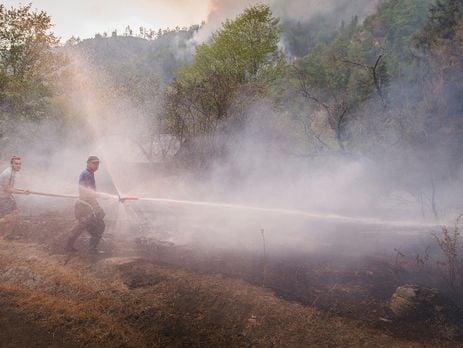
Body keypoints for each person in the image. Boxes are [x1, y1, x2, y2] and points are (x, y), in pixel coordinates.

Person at [66, 156, 105, 254]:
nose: (96, 165)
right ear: (88, 163)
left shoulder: (89, 174)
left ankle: (70, 246)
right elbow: (86, 192)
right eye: (94, 163)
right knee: (96, 226)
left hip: (86, 205)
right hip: (84, 206)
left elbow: (89, 193)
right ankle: (91, 249)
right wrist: (100, 195)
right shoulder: (86, 174)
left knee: (83, 226)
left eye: (97, 164)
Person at [0, 156, 30, 239]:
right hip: (3, 198)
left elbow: (9, 188)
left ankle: (7, 235)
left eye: (20, 164)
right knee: (10, 217)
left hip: (7, 196)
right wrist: (23, 193)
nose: (18, 165)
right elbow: (7, 189)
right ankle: (7, 235)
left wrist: (23, 190)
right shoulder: (7, 173)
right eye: (16, 164)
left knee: (14, 214)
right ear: (12, 164)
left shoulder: (12, 172)